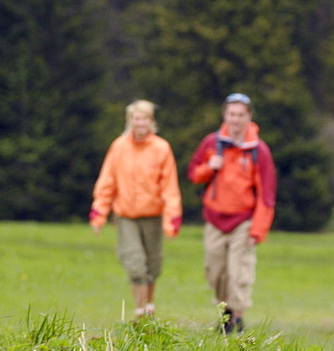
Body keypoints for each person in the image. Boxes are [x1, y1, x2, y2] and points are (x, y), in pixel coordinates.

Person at [187, 92, 276, 334]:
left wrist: (257, 230)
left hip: (243, 220)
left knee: (239, 271)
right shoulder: (211, 143)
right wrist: (209, 167)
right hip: (215, 219)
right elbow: (194, 174)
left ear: (249, 117)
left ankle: (237, 318)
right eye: (231, 114)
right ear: (225, 116)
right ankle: (225, 312)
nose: (235, 120)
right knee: (215, 271)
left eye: (240, 115)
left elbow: (267, 195)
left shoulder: (259, 150)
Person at [89, 100, 182, 321]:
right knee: (135, 264)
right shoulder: (119, 147)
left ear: (151, 122)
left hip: (152, 215)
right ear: (129, 121)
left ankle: (149, 307)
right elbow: (107, 182)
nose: (139, 123)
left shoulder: (162, 148)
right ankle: (139, 312)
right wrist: (99, 212)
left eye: (144, 118)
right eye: (135, 118)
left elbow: (169, 186)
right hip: (126, 215)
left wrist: (172, 219)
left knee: (152, 265)